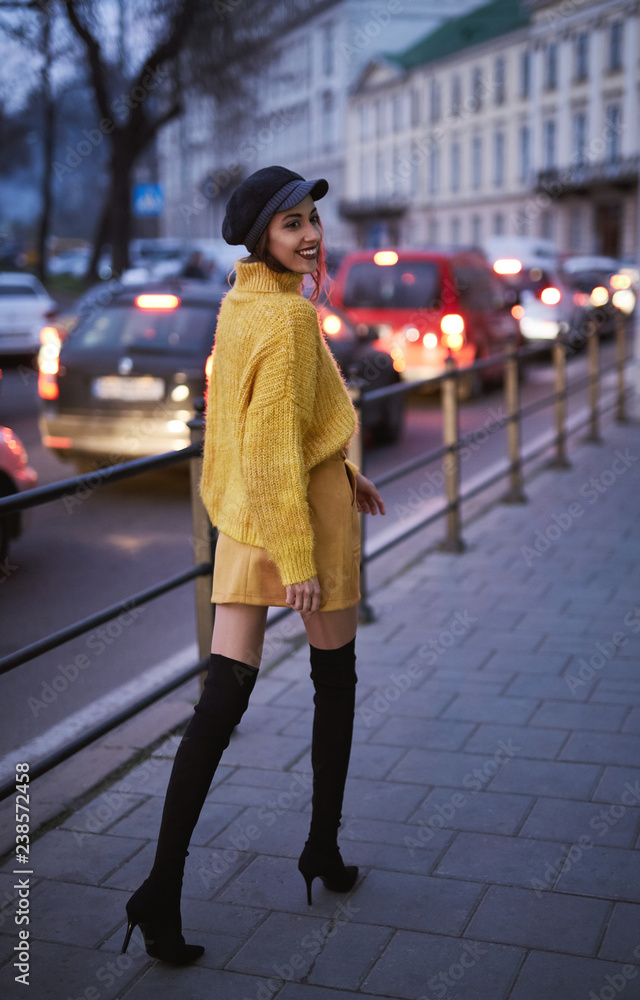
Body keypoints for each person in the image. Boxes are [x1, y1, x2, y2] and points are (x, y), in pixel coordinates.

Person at [121, 166, 385, 965]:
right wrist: (298, 555)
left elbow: (259, 420)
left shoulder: (245, 305)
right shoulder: (290, 320)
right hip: (298, 518)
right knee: (333, 679)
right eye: (291, 225)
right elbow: (272, 447)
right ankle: (321, 851)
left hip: (244, 522)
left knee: (220, 700)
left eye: (311, 220)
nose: (309, 236)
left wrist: (347, 464)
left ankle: (158, 889)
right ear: (260, 238)